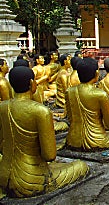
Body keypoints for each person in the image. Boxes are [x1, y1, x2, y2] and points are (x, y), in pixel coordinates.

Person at [0, 66, 88, 198]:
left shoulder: (2, 107)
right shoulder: (40, 111)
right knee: (81, 166)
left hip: (3, 174)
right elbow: (49, 155)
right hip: (32, 179)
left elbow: (1, 146)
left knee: (57, 166)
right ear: (31, 83)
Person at [65, 58, 109, 151]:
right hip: (98, 141)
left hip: (72, 140)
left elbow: (70, 118)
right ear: (96, 73)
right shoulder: (100, 94)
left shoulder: (69, 92)